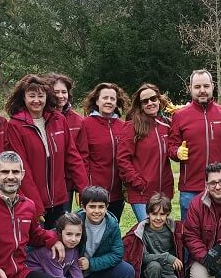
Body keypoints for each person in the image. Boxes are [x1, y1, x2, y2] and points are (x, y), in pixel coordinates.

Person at [5, 74, 88, 227]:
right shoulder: (15, 125)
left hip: (60, 198)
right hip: (33, 201)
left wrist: (85, 190)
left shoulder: (58, 119)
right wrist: (35, 204)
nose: (36, 100)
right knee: (38, 246)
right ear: (23, 98)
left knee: (58, 242)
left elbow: (72, 156)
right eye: (31, 96)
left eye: (40, 96)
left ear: (47, 97)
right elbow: (22, 168)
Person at [168, 69, 221, 222]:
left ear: (212, 86)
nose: (202, 90)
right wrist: (177, 152)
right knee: (190, 236)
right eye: (197, 87)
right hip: (191, 189)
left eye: (206, 86)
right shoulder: (179, 116)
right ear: (190, 88)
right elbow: (171, 146)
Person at [75, 185, 135, 278]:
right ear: (84, 207)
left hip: (100, 267)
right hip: (81, 273)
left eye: (101, 206)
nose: (97, 211)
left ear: (107, 206)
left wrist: (91, 263)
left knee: (127, 271)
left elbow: (117, 254)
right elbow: (54, 235)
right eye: (92, 206)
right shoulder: (74, 222)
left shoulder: (112, 224)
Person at [123, 193, 188, 278]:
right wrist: (167, 257)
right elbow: (143, 257)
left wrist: (172, 260)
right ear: (148, 214)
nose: (158, 218)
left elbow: (178, 250)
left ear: (167, 214)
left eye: (162, 214)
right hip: (148, 270)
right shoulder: (141, 231)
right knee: (154, 266)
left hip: (167, 270)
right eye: (154, 214)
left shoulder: (172, 229)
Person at [118, 83, 174, 222]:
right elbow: (122, 159)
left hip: (163, 192)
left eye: (153, 99)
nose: (150, 103)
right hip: (141, 192)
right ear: (140, 105)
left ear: (159, 100)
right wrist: (138, 182)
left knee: (161, 232)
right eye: (145, 101)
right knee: (147, 232)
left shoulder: (168, 124)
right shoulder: (132, 126)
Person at [77, 83, 130, 222]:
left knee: (112, 229)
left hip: (117, 193)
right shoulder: (86, 124)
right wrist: (84, 189)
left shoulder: (122, 125)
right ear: (96, 101)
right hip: (95, 193)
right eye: (105, 98)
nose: (109, 101)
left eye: (112, 99)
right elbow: (83, 158)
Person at [51, 73, 86, 204]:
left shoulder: (77, 120)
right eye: (56, 92)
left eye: (64, 92)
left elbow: (81, 155)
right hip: (46, 183)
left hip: (67, 184)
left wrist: (81, 186)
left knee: (63, 221)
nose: (60, 96)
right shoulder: (41, 118)